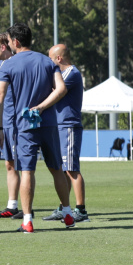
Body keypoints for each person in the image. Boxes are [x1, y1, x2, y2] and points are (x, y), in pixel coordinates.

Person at [0, 23, 73, 233]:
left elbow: (0, 96)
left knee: (27, 171)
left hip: (24, 126)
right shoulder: (47, 61)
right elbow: (61, 89)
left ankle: (27, 220)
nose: (8, 44)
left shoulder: (8, 65)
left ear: (15, 41)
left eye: (9, 41)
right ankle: (67, 213)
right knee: (56, 169)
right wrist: (41, 107)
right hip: (48, 124)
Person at [46, 43, 88, 222]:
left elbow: (56, 91)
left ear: (59, 58)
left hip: (69, 125)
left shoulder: (72, 73)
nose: (49, 62)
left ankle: (81, 210)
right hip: (60, 126)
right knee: (64, 170)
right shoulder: (63, 74)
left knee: (72, 169)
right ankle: (64, 208)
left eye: (50, 58)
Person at [0, 32, 22, 219]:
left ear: (3, 47)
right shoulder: (1, 65)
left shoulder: (17, 63)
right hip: (7, 122)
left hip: (18, 122)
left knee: (23, 165)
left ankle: (27, 207)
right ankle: (12, 206)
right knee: (9, 163)